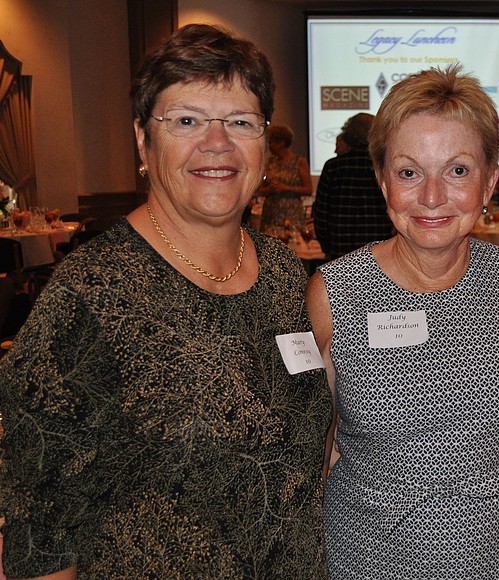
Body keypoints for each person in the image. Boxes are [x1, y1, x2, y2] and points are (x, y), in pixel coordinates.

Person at [0, 24, 331, 579]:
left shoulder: (281, 272)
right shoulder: (89, 293)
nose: (217, 143)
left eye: (240, 122)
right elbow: (41, 536)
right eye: (186, 120)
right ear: (142, 140)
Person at [307, 65, 499, 578]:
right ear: (382, 181)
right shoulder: (335, 294)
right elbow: (318, 444)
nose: (432, 196)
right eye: (409, 172)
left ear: (489, 181)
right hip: (370, 563)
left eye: (457, 170)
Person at [312, 113, 394, 260]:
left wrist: (327, 247)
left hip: (340, 250)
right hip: (380, 250)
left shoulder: (333, 167)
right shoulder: (385, 167)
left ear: (348, 135)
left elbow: (320, 213)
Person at [258, 124, 313, 231]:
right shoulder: (270, 162)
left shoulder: (299, 162)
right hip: (271, 213)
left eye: (271, 142)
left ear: (281, 143)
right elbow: (261, 191)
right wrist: (270, 189)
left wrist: (286, 188)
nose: (269, 146)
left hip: (291, 213)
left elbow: (308, 189)